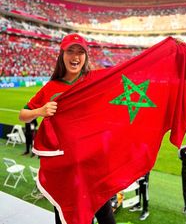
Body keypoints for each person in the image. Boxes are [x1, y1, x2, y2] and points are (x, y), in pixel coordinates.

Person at [19, 33, 116, 224]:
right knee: (64, 219)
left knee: (106, 218)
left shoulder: (94, 81)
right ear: (62, 55)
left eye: (80, 51)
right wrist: (41, 110)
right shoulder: (50, 87)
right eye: (70, 51)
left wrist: (169, 49)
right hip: (63, 172)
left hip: (93, 169)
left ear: (86, 56)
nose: (75, 56)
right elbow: (23, 114)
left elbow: (130, 75)